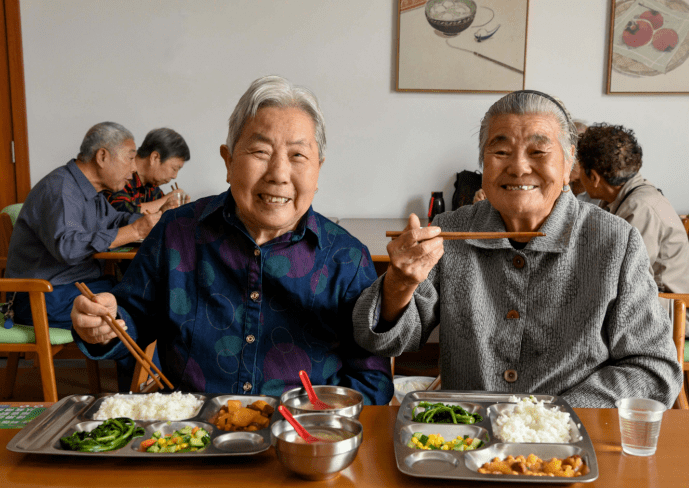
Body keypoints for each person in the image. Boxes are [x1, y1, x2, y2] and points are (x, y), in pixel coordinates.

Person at [70, 76, 393, 404]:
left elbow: (372, 380)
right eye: (261, 151)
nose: (278, 174)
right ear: (228, 161)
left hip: (301, 440)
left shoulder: (346, 258)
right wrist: (105, 324)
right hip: (194, 435)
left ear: (318, 170)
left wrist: (322, 426)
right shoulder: (177, 232)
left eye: (297, 156)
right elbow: (131, 314)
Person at [352, 90, 682, 408]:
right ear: (483, 163)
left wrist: (549, 416)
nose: (519, 167)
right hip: (467, 439)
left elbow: (653, 371)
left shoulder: (615, 242)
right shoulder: (451, 231)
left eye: (538, 153)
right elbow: (386, 341)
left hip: (571, 444)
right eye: (501, 152)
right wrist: (398, 284)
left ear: (569, 166)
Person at [5, 122, 160, 328]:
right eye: (131, 157)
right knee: (140, 311)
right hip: (44, 296)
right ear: (102, 156)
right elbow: (69, 248)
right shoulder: (61, 189)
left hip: (76, 288)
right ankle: (145, 361)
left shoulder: (89, 191)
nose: (134, 168)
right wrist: (134, 231)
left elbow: (114, 220)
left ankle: (144, 360)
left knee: (147, 297)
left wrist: (154, 221)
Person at [577, 123, 689, 330]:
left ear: (593, 177)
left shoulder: (640, 208)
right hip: (650, 303)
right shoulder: (619, 199)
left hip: (673, 313)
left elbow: (627, 280)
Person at [103, 128, 191, 215]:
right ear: (154, 157)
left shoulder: (152, 187)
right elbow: (120, 213)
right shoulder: (118, 174)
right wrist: (166, 200)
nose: (174, 176)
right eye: (174, 168)